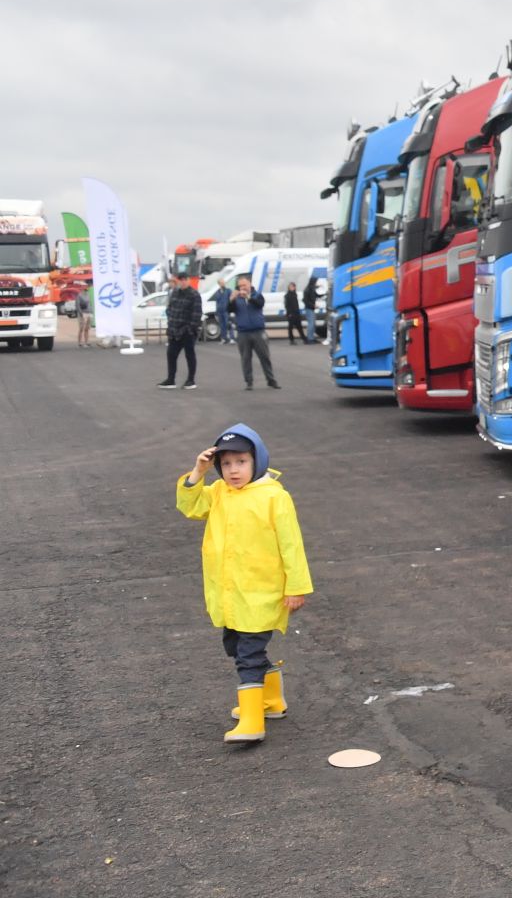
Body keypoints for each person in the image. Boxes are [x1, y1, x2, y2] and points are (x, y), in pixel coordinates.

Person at [175, 424, 311, 743]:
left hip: (262, 593)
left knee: (248, 655)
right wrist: (198, 471)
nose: (233, 471)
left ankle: (252, 721)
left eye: (241, 462)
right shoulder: (219, 492)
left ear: (257, 461)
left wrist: (296, 587)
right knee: (236, 646)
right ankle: (271, 700)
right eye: (226, 464)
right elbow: (190, 506)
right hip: (230, 593)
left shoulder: (274, 497)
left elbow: (292, 545)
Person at [231, 275, 279, 390]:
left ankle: (271, 380)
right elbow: (229, 309)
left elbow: (259, 304)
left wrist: (248, 297)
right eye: (240, 285)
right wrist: (231, 299)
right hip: (243, 332)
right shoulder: (237, 298)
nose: (242, 287)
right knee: (245, 358)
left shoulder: (257, 295)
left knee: (264, 356)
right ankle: (249, 382)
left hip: (258, 331)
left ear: (250, 284)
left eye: (244, 285)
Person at [157, 274, 201, 390]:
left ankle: (191, 380)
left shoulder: (194, 295)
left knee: (189, 355)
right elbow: (169, 308)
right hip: (174, 330)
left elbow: (197, 313)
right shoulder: (175, 293)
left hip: (187, 331)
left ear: (189, 280)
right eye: (180, 280)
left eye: (185, 280)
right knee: (171, 354)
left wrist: (191, 328)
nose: (183, 282)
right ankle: (171, 379)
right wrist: (171, 320)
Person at [303, 275, 322, 344]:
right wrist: (313, 305)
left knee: (313, 324)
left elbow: (317, 295)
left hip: (311, 309)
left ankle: (312, 337)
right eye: (315, 281)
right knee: (311, 324)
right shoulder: (307, 290)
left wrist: (324, 294)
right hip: (309, 309)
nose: (316, 283)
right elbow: (305, 300)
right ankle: (309, 338)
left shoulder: (311, 289)